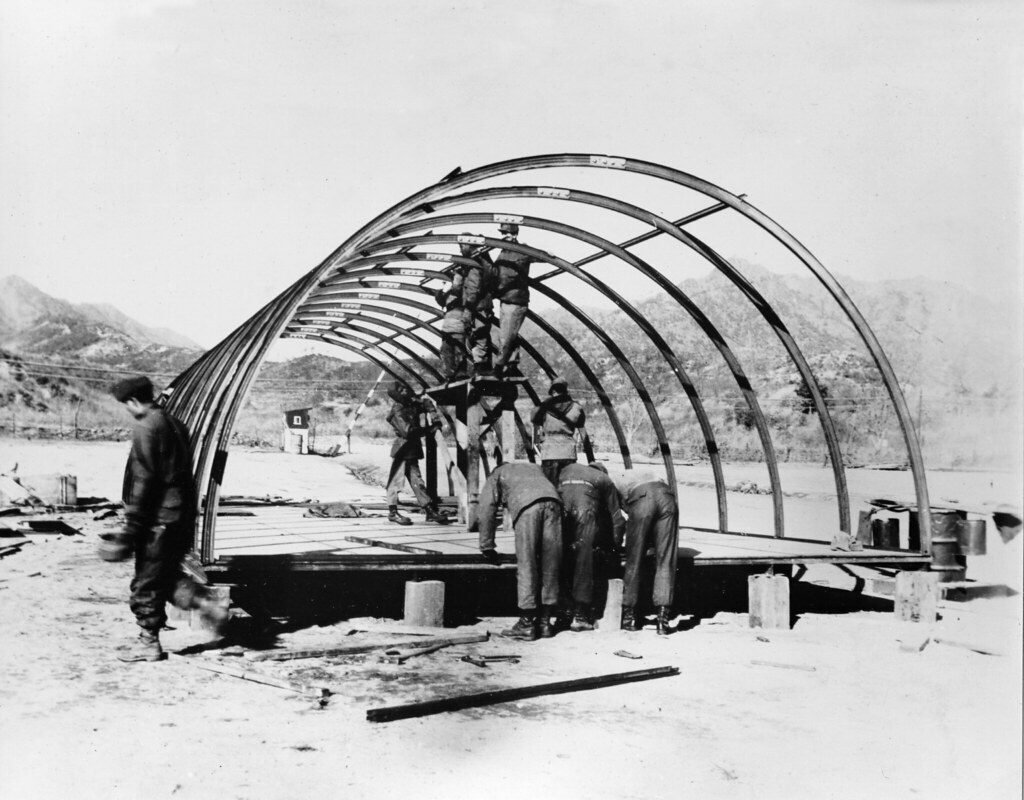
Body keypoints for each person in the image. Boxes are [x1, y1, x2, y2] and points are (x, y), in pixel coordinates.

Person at [103, 376, 228, 663]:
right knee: (168, 575)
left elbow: (144, 479)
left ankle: (149, 643)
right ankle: (206, 604)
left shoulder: (147, 426)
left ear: (133, 401)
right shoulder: (176, 423)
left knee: (146, 582)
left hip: (158, 519)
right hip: (180, 516)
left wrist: (132, 526)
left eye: (126, 405)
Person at [477, 462, 563, 641]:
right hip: (554, 503)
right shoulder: (533, 467)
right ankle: (545, 623)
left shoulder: (497, 474)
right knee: (551, 564)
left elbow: (486, 508)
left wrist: (487, 546)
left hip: (528, 508)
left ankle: (527, 624)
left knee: (527, 563)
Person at [555, 461, 625, 631]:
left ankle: (562, 614)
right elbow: (617, 518)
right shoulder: (604, 480)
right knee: (583, 565)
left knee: (561, 562)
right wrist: (615, 547)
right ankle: (580, 616)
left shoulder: (567, 472)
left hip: (559, 517)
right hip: (585, 519)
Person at [617, 470, 679, 635]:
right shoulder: (641, 475)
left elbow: (623, 511)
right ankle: (662, 621)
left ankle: (629, 618)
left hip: (642, 499)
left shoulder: (614, 482)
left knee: (634, 560)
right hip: (667, 497)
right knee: (665, 559)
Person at [385, 381, 451, 526]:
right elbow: (407, 431)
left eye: (404, 387)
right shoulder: (398, 410)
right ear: (395, 395)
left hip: (411, 450)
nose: (405, 391)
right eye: (400, 390)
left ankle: (429, 511)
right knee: (395, 482)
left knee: (417, 482)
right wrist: (430, 429)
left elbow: (425, 403)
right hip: (402, 449)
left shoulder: (410, 404)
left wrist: (430, 408)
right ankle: (392, 513)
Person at [492, 222, 532, 375]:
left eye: (506, 233)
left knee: (506, 336)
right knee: (510, 334)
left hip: (516, 300)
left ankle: (499, 367)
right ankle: (511, 365)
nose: (504, 236)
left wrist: (547, 254)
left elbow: (539, 256)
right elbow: (495, 273)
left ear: (514, 234)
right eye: (502, 233)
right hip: (505, 300)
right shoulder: (502, 253)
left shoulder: (523, 251)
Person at [531, 376, 587, 484]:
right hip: (568, 452)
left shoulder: (544, 407)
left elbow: (534, 419)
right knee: (567, 485)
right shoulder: (577, 407)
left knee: (550, 487)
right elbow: (581, 425)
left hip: (550, 452)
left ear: (552, 391)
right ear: (566, 391)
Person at [458, 236, 496, 376]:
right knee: (479, 335)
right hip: (479, 306)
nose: (460, 249)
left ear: (469, 245)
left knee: (479, 335)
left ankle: (481, 366)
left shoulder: (474, 265)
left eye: (462, 246)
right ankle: (482, 365)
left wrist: (468, 309)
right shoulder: (474, 263)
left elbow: (473, 289)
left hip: (478, 307)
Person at [435, 269, 468, 380]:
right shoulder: (449, 294)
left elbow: (457, 287)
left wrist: (458, 274)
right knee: (449, 351)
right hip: (450, 327)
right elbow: (439, 299)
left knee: (455, 351)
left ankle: (456, 373)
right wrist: (442, 289)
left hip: (456, 325)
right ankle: (452, 374)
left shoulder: (458, 290)